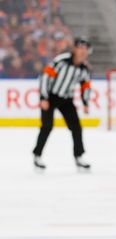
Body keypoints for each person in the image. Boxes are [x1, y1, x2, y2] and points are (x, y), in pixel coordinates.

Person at [33, 37, 92, 172]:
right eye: (80, 48)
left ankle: (79, 156)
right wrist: (43, 97)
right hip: (51, 96)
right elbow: (45, 76)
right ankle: (37, 155)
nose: (83, 52)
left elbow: (85, 85)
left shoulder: (84, 68)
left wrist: (85, 102)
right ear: (75, 49)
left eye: (85, 49)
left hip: (66, 100)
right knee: (47, 126)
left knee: (76, 127)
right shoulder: (62, 61)